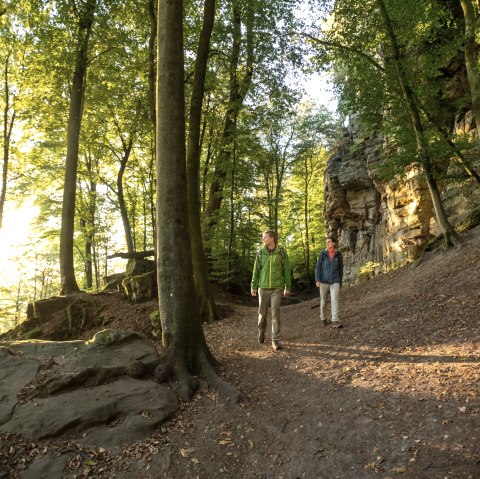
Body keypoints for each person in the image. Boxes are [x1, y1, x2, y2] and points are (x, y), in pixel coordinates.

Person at [251, 230, 291, 351]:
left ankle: (275, 340)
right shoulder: (260, 253)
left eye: (265, 237)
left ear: (272, 238)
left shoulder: (282, 252)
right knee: (262, 314)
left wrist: (287, 286)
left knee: (275, 314)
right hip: (262, 288)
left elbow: (287, 270)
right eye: (263, 237)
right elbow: (256, 271)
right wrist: (253, 286)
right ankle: (261, 332)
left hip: (277, 288)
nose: (263, 239)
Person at [315, 236, 344, 328]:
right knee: (323, 301)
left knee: (334, 300)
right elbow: (318, 268)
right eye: (326, 242)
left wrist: (340, 281)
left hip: (335, 280)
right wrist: (317, 280)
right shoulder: (323, 254)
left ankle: (335, 320)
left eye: (329, 242)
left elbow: (340, 269)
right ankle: (323, 317)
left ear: (334, 243)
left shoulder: (338, 254)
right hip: (323, 281)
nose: (327, 244)